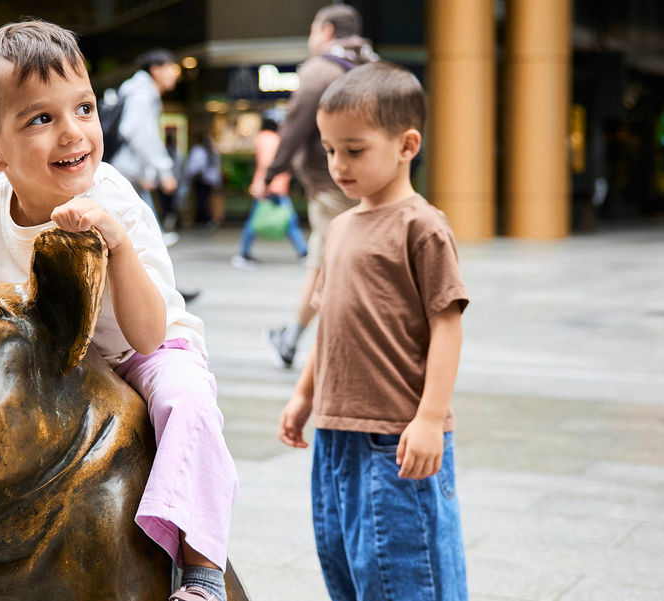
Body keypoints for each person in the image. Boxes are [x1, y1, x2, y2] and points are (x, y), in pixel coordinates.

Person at [0, 21, 237, 601]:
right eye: (41, 118)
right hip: (44, 357)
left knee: (187, 404)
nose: (73, 133)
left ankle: (201, 572)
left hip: (140, 350)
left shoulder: (115, 202)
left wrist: (115, 245)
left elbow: (147, 333)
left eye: (84, 109)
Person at [279, 62, 469, 601]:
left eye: (354, 150)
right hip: (335, 436)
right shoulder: (339, 228)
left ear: (407, 145)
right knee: (350, 572)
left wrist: (430, 418)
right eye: (329, 150)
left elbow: (447, 325)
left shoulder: (422, 226)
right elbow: (331, 324)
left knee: (408, 578)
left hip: (397, 438)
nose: (338, 165)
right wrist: (303, 394)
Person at [254, 4, 377, 368]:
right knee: (337, 261)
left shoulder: (320, 70)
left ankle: (328, 346)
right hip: (373, 183)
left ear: (325, 30)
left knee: (327, 265)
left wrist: (271, 171)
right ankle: (292, 337)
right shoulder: (375, 66)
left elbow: (295, 124)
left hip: (331, 184)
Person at [110, 48, 183, 248]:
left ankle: (154, 238)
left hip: (129, 166)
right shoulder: (141, 94)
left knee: (136, 212)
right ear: (155, 70)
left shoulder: (140, 91)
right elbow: (137, 133)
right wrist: (162, 170)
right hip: (127, 165)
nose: (175, 74)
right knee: (137, 213)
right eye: (170, 68)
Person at [233, 116, 307, 269]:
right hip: (272, 186)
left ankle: (244, 254)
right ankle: (304, 252)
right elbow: (268, 162)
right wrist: (266, 184)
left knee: (259, 221)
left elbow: (265, 162)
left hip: (268, 185)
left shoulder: (263, 138)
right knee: (288, 220)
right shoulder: (272, 138)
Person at [184, 132, 223, 230]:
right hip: (208, 180)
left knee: (204, 200)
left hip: (203, 180)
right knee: (204, 200)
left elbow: (195, 167)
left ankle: (206, 219)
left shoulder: (199, 150)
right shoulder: (212, 151)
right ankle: (204, 219)